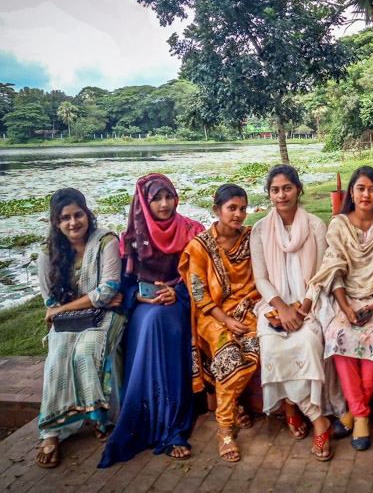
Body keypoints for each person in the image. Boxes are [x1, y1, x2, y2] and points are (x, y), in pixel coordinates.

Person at [99, 174, 204, 467]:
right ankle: (145, 414)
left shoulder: (192, 231)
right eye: (156, 198)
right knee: (151, 320)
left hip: (180, 303)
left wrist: (178, 291)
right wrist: (141, 298)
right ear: (144, 202)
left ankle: (173, 425)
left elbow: (200, 278)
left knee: (163, 320)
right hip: (145, 305)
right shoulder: (132, 237)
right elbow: (124, 286)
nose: (165, 204)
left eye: (168, 196)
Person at [307, 166, 373, 451]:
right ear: (351, 192)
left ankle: (354, 415)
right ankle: (361, 414)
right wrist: (346, 308)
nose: (366, 194)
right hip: (344, 298)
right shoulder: (339, 224)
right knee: (336, 335)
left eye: (372, 189)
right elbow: (333, 269)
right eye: (361, 188)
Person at [250, 164, 336, 461]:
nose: (281, 195)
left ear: (299, 190)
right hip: (274, 305)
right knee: (272, 347)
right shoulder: (260, 230)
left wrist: (303, 307)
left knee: (308, 344)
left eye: (287, 188)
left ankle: (297, 408)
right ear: (269, 194)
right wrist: (282, 307)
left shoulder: (315, 226)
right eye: (275, 190)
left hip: (311, 303)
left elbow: (322, 273)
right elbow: (260, 277)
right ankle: (315, 419)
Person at [36, 188, 125, 469]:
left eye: (78, 215)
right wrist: (73, 306)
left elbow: (109, 290)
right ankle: (50, 432)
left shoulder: (105, 242)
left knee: (86, 352)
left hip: (106, 314)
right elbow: (49, 297)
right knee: (57, 357)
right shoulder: (47, 253)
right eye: (66, 218)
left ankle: (100, 418)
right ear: (55, 222)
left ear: (87, 214)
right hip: (70, 322)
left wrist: (62, 309)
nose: (74, 222)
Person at [178, 184, 260, 463]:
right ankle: (225, 428)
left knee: (257, 349)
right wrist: (225, 320)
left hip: (248, 309)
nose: (238, 214)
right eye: (231, 208)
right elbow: (199, 295)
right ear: (217, 210)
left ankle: (232, 404)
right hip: (212, 316)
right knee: (229, 357)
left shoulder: (251, 239)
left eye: (242, 208)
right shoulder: (199, 247)